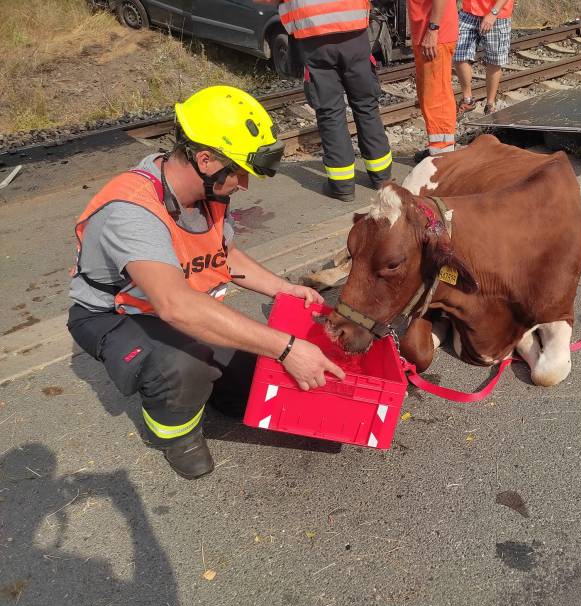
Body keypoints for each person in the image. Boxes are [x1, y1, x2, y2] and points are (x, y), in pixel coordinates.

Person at [67, 85, 345, 480]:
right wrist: (286, 348)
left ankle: (206, 387)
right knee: (184, 364)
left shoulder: (207, 190)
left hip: (182, 304)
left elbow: (221, 253)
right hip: (118, 314)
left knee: (248, 382)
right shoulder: (132, 211)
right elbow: (174, 306)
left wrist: (282, 288)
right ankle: (174, 433)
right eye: (239, 173)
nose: (244, 185)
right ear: (205, 159)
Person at [279, 0, 393, 202]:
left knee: (330, 112)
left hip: (313, 41)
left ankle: (342, 186)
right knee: (366, 105)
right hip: (354, 33)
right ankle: (382, 177)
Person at [408, 0, 460, 162]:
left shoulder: (434, 31)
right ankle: (437, 148)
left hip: (435, 35)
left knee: (437, 98)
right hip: (426, 33)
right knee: (428, 96)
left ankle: (442, 156)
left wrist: (433, 29)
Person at [454, 0, 514, 117]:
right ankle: (468, 100)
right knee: (459, 54)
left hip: (497, 15)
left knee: (494, 60)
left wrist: (493, 13)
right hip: (469, 11)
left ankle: (490, 104)